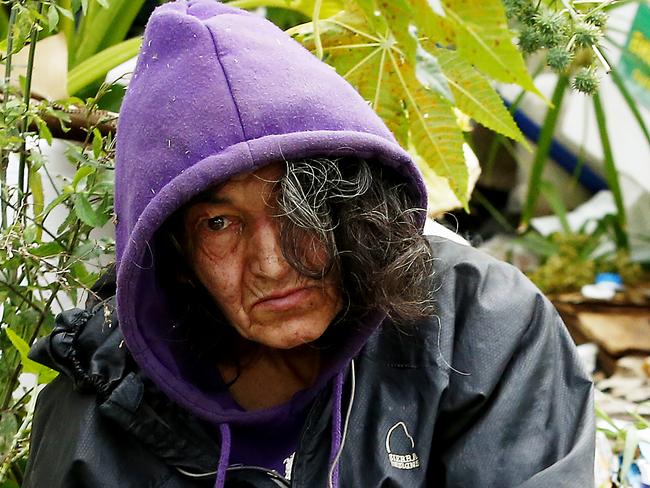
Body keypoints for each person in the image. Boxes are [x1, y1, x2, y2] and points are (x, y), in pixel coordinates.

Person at [23, 1, 595, 486]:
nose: (271, 265)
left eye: (300, 206)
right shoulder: (100, 413)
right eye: (218, 224)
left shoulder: (480, 329)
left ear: (356, 208)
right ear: (172, 255)